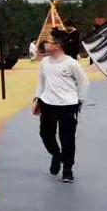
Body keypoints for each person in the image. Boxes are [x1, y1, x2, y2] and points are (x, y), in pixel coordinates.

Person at [33, 29, 89, 183]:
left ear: (57, 45)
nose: (45, 44)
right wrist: (37, 99)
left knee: (67, 139)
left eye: (48, 41)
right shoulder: (44, 63)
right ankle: (56, 155)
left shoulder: (71, 63)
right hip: (47, 104)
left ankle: (67, 170)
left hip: (68, 105)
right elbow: (41, 82)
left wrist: (80, 100)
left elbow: (83, 82)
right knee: (45, 134)